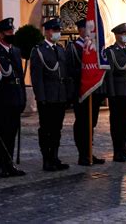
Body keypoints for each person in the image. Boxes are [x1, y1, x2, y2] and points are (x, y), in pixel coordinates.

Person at [0, 17, 26, 178]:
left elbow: (20, 77)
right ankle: (1, 166)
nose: (11, 34)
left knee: (11, 134)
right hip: (1, 101)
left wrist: (22, 98)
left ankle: (9, 165)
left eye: (12, 31)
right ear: (0, 35)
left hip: (15, 99)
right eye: (8, 32)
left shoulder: (15, 51)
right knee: (1, 135)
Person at [30, 18, 70, 171]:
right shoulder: (39, 50)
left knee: (57, 129)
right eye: (54, 30)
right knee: (46, 129)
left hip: (59, 96)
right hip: (47, 96)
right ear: (47, 31)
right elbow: (36, 77)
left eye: (58, 30)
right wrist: (41, 97)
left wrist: (66, 95)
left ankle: (55, 157)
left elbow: (64, 73)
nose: (57, 33)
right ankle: (47, 159)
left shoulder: (60, 49)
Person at [66, 18, 106, 166]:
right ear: (80, 30)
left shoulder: (93, 47)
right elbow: (70, 70)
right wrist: (85, 74)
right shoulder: (73, 48)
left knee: (91, 123)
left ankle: (89, 151)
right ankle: (82, 154)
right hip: (80, 91)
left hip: (93, 92)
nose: (89, 32)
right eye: (87, 29)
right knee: (82, 123)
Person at [105, 23, 126, 162]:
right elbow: (110, 74)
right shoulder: (111, 51)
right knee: (117, 123)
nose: (125, 36)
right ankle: (117, 151)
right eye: (123, 34)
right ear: (117, 35)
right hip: (118, 93)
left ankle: (124, 148)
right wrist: (111, 94)